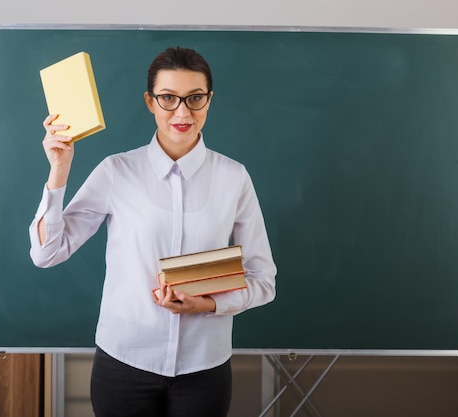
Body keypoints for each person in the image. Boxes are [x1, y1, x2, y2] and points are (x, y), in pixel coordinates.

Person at [29, 46, 277, 417]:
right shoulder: (116, 171)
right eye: (168, 98)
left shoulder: (233, 177)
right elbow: (47, 254)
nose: (182, 112)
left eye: (195, 98)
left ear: (209, 100)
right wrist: (58, 172)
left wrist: (209, 304)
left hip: (204, 366)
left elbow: (263, 280)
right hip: (124, 362)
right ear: (150, 102)